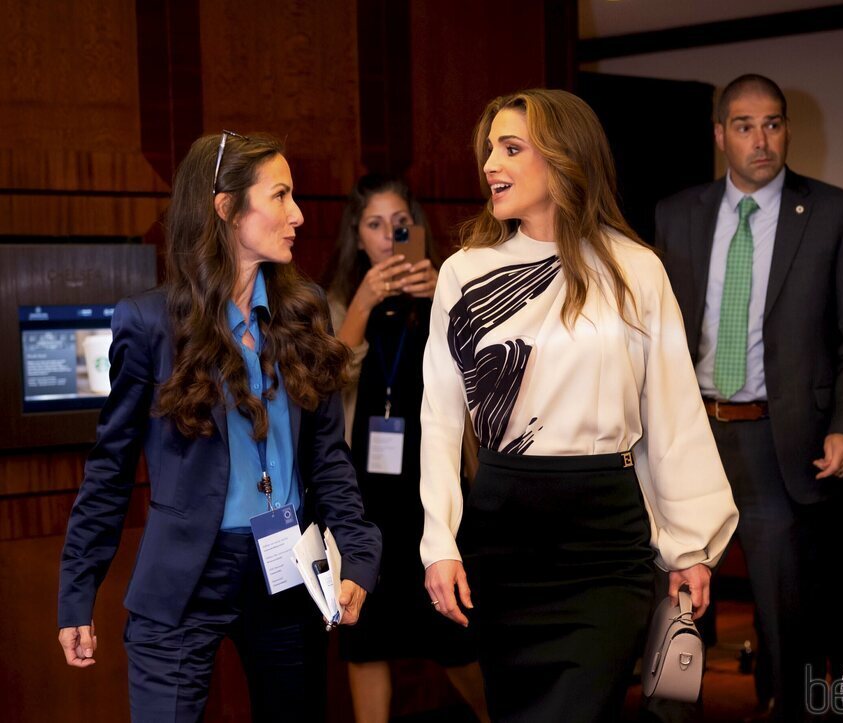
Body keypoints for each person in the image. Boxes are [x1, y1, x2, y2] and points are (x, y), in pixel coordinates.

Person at [420, 88, 739, 722]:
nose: (491, 164)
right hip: (504, 533)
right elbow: (441, 418)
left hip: (605, 539)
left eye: (511, 148)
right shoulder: (465, 271)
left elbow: (671, 415)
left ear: (564, 159)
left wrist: (688, 547)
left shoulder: (635, 269)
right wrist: (439, 541)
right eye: (489, 149)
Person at [57, 131, 382, 721]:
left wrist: (357, 549)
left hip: (286, 572)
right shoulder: (150, 322)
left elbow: (327, 454)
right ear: (226, 208)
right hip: (185, 578)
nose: (298, 215)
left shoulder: (303, 307)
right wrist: (78, 593)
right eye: (280, 196)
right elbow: (109, 469)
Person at [654, 74, 843, 720]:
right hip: (691, 434)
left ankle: (793, 706)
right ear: (720, 134)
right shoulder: (677, 214)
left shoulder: (834, 212)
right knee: (677, 597)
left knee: (787, 613)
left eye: (774, 123)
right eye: (746, 125)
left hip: (777, 441)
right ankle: (672, 711)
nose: (763, 139)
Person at [323, 174, 489, 723]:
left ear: (415, 229)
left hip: (432, 497)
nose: (388, 236)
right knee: (363, 636)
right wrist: (365, 303)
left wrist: (447, 294)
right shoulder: (337, 301)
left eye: (400, 224)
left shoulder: (448, 293)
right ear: (358, 235)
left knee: (454, 633)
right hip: (362, 501)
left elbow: (488, 372)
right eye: (375, 224)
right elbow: (323, 381)